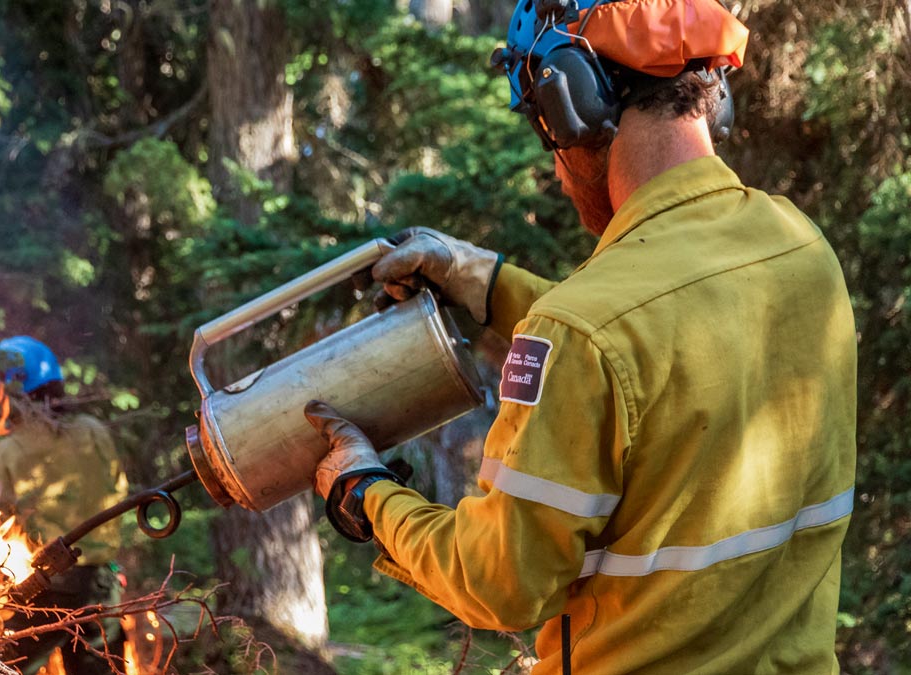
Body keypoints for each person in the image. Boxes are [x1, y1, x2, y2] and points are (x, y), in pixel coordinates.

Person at [306, 1, 857, 673]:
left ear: (572, 104)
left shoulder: (586, 332)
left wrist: (365, 492)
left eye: (546, 132)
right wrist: (482, 281)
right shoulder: (801, 249)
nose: (558, 171)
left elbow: (499, 582)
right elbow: (650, 355)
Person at [0, 336, 130, 674]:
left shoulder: (8, 450)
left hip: (46, 589)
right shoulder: (92, 431)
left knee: (3, 668)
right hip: (100, 584)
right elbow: (119, 489)